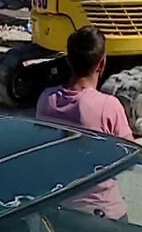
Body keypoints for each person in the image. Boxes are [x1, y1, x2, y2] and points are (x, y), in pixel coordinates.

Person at [37, 27, 133, 220]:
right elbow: (128, 158)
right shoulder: (108, 106)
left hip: (58, 207)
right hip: (102, 212)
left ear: (68, 61)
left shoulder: (46, 99)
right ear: (102, 63)